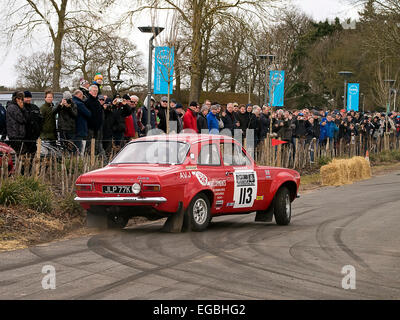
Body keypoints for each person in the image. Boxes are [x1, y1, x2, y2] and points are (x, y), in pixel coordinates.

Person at [85, 85, 104, 155]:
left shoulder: (97, 102)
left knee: (97, 146)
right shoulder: (87, 102)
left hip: (98, 128)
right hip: (90, 128)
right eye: (94, 91)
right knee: (89, 147)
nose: (95, 92)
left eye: (96, 91)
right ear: (90, 91)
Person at [23, 91, 43, 155]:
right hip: (25, 136)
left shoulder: (35, 107)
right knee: (24, 154)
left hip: (34, 136)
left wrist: (38, 131)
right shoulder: (21, 108)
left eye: (29, 97)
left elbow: (40, 119)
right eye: (26, 97)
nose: (28, 99)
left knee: (33, 153)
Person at [72, 90, 91, 155]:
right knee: (79, 149)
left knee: (72, 148)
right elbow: (88, 114)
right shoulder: (80, 104)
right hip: (80, 128)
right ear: (79, 95)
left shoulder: (71, 102)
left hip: (72, 128)